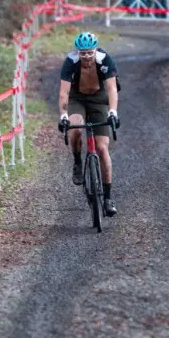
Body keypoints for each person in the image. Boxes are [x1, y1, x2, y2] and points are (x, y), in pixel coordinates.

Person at [58, 32, 120, 217]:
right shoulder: (71, 61)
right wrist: (63, 115)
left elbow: (111, 88)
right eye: (83, 53)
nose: (86, 56)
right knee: (75, 128)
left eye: (89, 52)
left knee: (102, 148)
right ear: (78, 52)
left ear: (95, 50)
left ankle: (108, 199)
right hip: (77, 98)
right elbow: (63, 93)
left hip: (99, 100)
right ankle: (77, 161)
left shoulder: (104, 60)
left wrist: (113, 112)